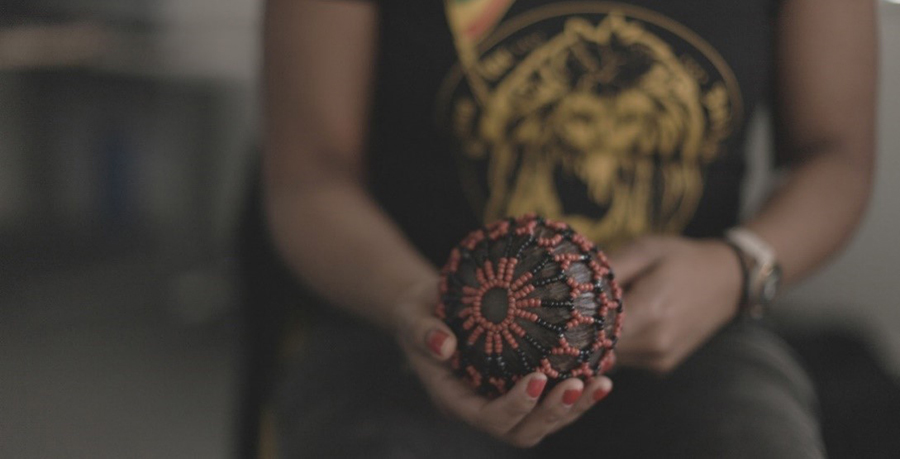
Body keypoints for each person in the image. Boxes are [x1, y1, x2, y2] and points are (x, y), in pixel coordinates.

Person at [253, 0, 877, 457]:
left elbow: (836, 158)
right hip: (402, 324)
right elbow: (310, 179)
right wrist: (413, 305)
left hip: (689, 337)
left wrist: (738, 267)